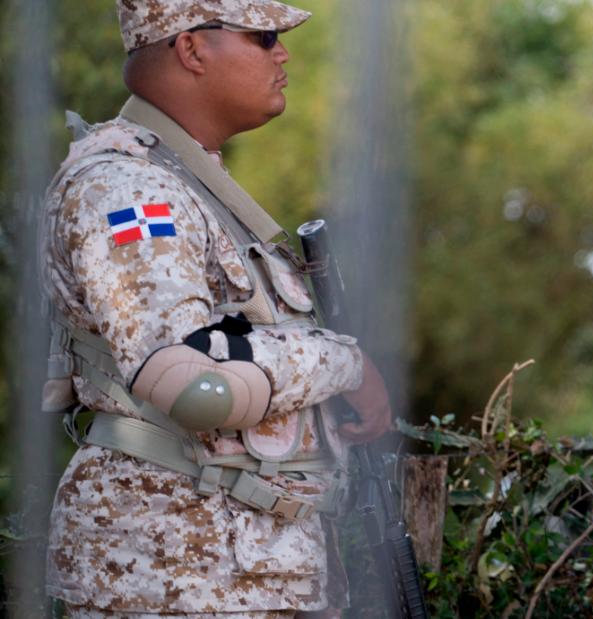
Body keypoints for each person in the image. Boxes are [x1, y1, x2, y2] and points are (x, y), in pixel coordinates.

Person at [40, 1, 391, 617]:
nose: (283, 54)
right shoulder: (129, 190)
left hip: (235, 565)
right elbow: (197, 389)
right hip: (172, 567)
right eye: (263, 36)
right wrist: (344, 364)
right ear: (192, 48)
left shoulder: (186, 182)